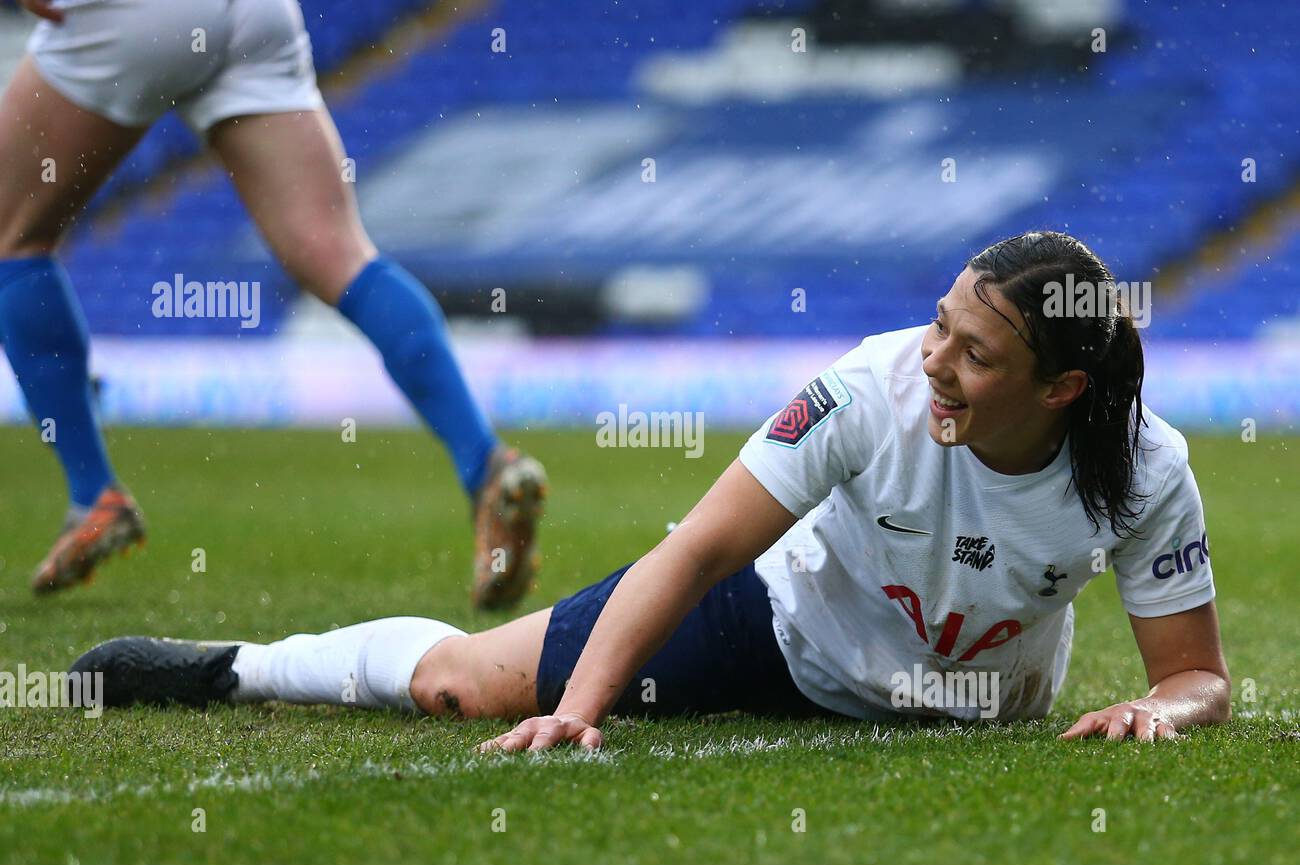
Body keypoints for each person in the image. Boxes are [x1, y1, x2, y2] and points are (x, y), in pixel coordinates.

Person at [70, 231, 1232, 750]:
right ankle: (231, 667)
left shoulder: (1143, 472)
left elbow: (1194, 679)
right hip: (780, 629)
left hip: (979, 703)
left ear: (1065, 386)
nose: (936, 361)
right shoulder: (864, 392)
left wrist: (1158, 711)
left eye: (976, 355)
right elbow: (696, 553)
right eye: (939, 325)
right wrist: (577, 706)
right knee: (458, 688)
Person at [0, 0, 545, 609]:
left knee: (12, 236)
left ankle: (92, 491)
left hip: (138, 14)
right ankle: (483, 460)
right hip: (258, 15)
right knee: (341, 255)